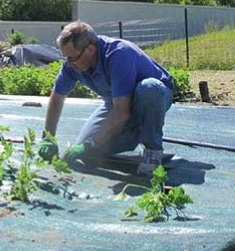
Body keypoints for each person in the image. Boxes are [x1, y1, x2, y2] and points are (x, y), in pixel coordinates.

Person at [36, 21, 174, 175]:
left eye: (72, 58)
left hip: (155, 96)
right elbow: (57, 98)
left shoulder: (118, 54)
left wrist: (91, 142)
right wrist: (48, 136)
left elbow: (122, 112)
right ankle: (137, 132)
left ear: (89, 49)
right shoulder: (72, 64)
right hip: (117, 103)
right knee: (88, 151)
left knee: (148, 88)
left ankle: (152, 151)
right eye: (65, 58)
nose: (68, 63)